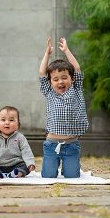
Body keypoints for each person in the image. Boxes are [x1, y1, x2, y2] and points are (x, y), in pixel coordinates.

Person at [38, 36, 89, 179]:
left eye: (64, 77)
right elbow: (42, 73)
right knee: (48, 176)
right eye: (55, 79)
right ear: (50, 82)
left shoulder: (76, 89)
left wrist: (66, 50)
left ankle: (69, 166)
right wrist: (47, 54)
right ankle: (53, 167)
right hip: (51, 144)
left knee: (72, 176)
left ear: (72, 79)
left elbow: (77, 68)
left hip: (71, 144)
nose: (60, 81)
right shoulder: (49, 92)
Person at [0, 106, 36, 179]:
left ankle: (16, 173)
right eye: (3, 120)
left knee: (25, 167)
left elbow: (26, 151)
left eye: (11, 120)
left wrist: (30, 163)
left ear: (18, 124)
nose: (7, 123)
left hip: (16, 165)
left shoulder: (20, 137)